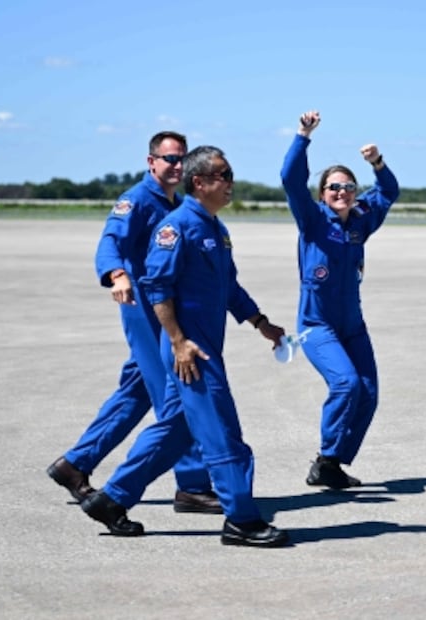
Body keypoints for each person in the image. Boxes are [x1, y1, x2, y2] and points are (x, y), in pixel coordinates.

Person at [80, 145, 290, 547]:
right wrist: (178, 342)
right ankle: (241, 521)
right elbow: (156, 287)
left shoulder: (216, 228)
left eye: (230, 175)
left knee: (176, 432)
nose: (231, 183)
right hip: (192, 353)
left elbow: (229, 287)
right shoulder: (176, 227)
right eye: (223, 175)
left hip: (202, 346)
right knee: (224, 436)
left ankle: (111, 499)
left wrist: (260, 323)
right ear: (201, 182)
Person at [47, 131, 220, 514]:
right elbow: (111, 240)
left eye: (181, 159)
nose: (177, 165)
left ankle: (74, 464)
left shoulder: (174, 201)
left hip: (163, 311)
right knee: (178, 395)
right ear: (151, 162)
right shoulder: (137, 200)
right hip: (145, 311)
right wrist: (115, 274)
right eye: (169, 158)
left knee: (136, 392)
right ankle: (192, 485)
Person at [280, 110, 400, 489]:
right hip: (317, 325)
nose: (342, 193)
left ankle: (331, 463)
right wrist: (303, 136)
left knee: (369, 392)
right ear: (322, 194)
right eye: (334, 187)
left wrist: (377, 164)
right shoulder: (313, 219)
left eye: (348, 186)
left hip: (352, 324)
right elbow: (289, 179)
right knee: (346, 384)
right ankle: (326, 457)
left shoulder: (362, 218)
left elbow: (389, 192)